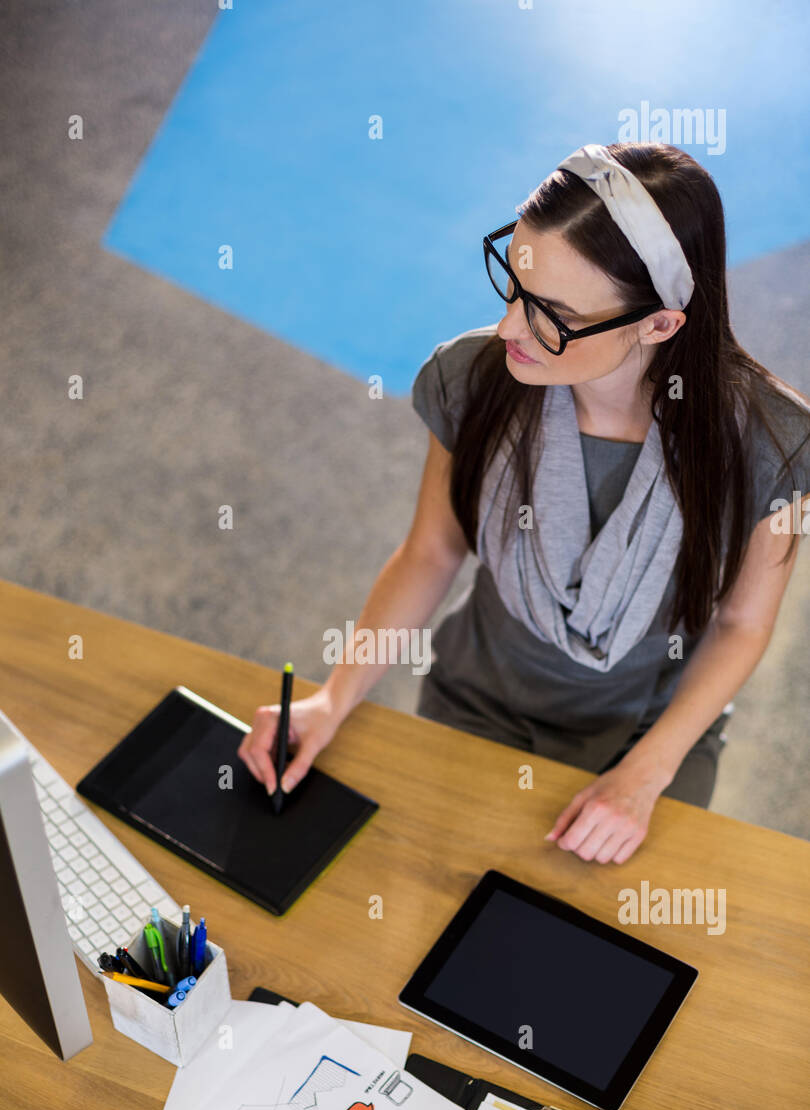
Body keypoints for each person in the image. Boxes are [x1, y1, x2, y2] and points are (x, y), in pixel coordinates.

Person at [238, 142, 810, 864]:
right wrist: (335, 696)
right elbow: (432, 552)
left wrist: (645, 774)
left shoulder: (776, 443)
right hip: (480, 698)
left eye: (552, 316)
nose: (509, 329)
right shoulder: (472, 377)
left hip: (651, 734)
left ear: (660, 324)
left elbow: (739, 624)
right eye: (513, 284)